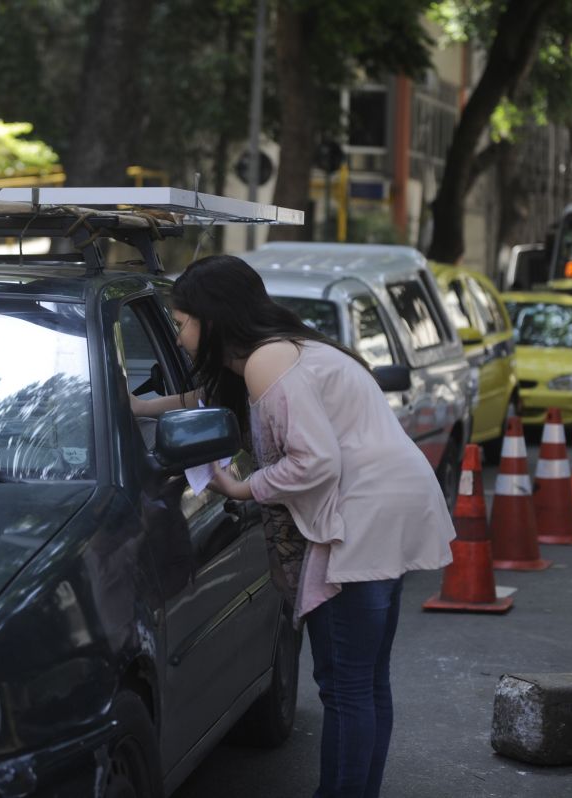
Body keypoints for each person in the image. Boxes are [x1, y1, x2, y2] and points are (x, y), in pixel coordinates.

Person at [134, 254, 454, 798]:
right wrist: (141, 408)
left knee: (345, 686)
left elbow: (315, 462)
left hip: (360, 517)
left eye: (182, 322)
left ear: (212, 319)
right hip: (390, 506)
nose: (180, 336)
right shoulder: (279, 351)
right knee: (365, 683)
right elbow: (209, 400)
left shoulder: (267, 360)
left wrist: (241, 487)